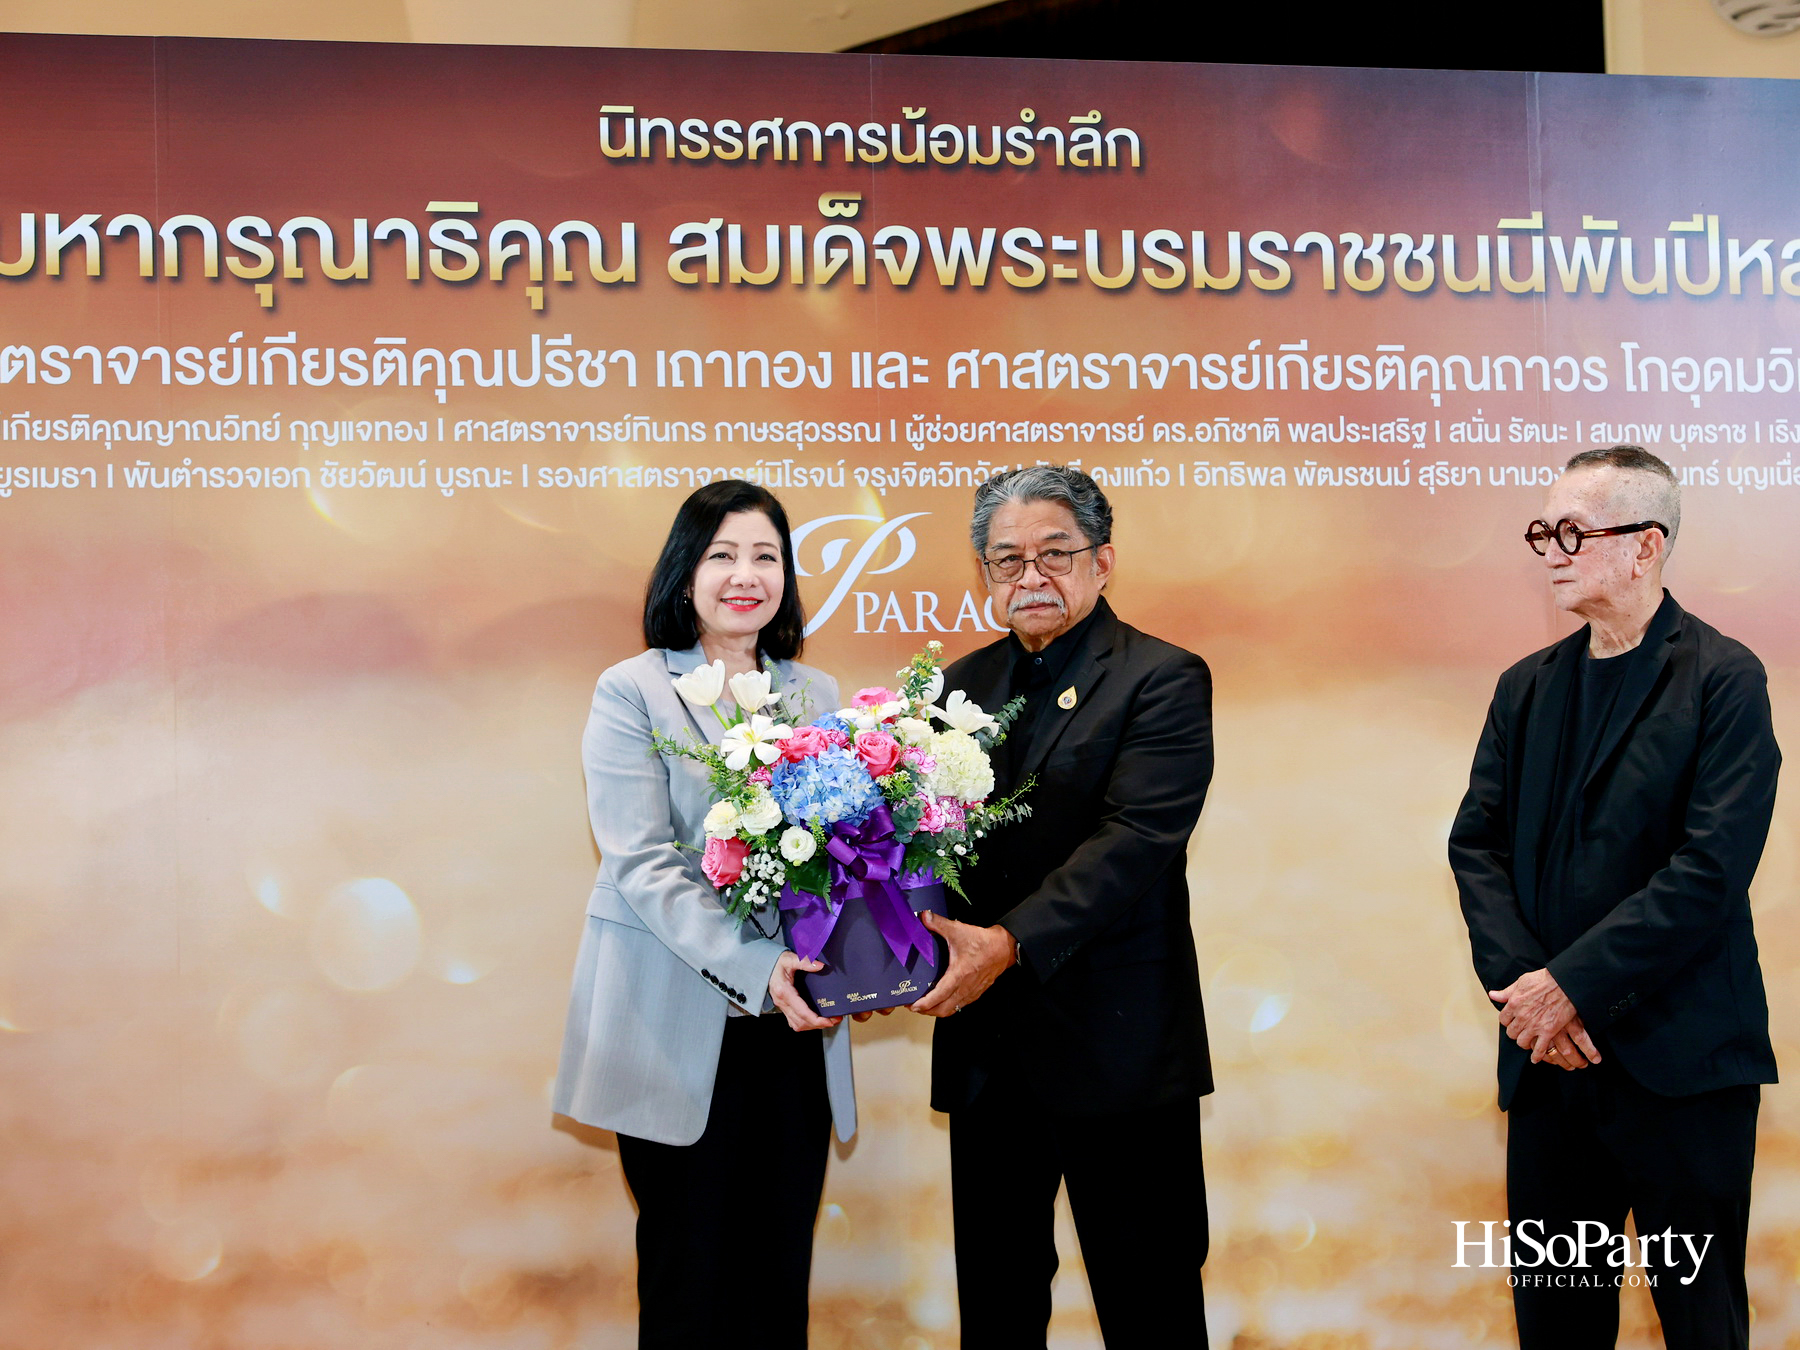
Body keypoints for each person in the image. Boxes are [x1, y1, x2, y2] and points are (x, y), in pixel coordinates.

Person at [1449, 446, 1779, 1349]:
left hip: (1681, 1067)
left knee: (1700, 1323)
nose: (1551, 552)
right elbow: (1473, 843)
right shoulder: (1526, 688)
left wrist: (1574, 989)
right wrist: (1529, 998)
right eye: (1542, 533)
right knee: (1556, 1326)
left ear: (1646, 547)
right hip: (1552, 1067)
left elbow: (1709, 870)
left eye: (1573, 532)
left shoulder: (1723, 678)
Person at [911, 464, 1215, 1348]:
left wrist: (1004, 944)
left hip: (1117, 1048)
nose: (1030, 578)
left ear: (1103, 561)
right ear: (984, 575)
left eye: (1054, 554)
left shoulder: (1162, 677)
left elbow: (1135, 842)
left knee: (1149, 1304)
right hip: (988, 1051)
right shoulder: (953, 689)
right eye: (1006, 561)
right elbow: (925, 850)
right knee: (998, 1308)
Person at [552, 480, 855, 1350]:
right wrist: (756, 964)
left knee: (774, 1291)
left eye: (766, 556)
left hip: (793, 1030)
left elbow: (843, 856)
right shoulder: (633, 690)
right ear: (686, 571)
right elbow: (641, 862)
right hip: (673, 1026)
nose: (745, 575)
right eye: (723, 554)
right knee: (690, 1286)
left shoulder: (816, 693)